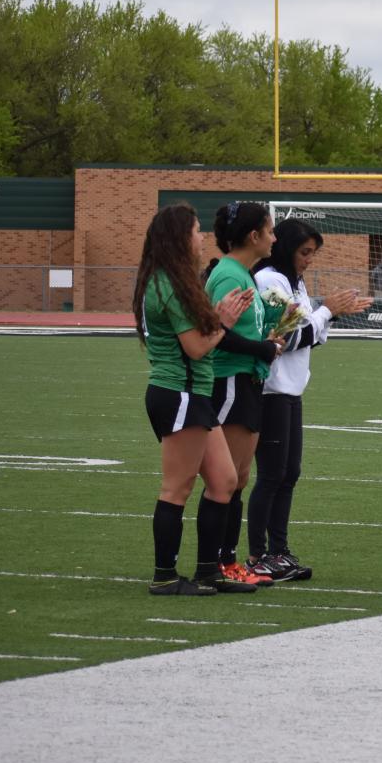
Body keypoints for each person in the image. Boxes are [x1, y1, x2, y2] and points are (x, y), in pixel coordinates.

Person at [132, 203, 253, 595]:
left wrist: (218, 319)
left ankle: (207, 571)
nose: (201, 238)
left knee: (224, 481)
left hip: (193, 393)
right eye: (196, 230)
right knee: (177, 487)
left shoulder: (173, 279)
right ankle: (165, 576)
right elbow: (197, 348)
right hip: (178, 392)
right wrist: (224, 321)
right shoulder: (167, 282)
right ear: (178, 237)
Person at [246, 219, 373, 583]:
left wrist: (331, 313)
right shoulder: (270, 280)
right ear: (286, 248)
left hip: (291, 390)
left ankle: (279, 552)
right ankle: (258, 556)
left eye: (313, 254)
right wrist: (327, 311)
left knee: (289, 474)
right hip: (271, 390)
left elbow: (308, 336)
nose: (309, 260)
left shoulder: (293, 282)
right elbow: (287, 337)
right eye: (305, 253)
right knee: (271, 475)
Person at [206, 202, 282, 589]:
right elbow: (217, 335)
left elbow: (244, 330)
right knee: (227, 478)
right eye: (270, 230)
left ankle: (228, 561)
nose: (274, 237)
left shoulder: (245, 275)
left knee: (239, 477)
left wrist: (272, 335)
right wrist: (261, 350)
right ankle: (221, 562)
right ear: (253, 236)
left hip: (248, 380)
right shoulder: (228, 275)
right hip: (231, 380)